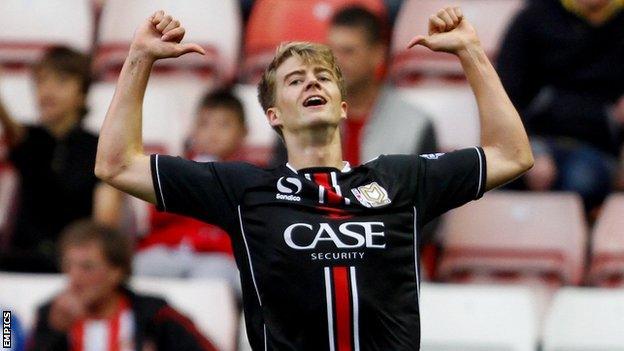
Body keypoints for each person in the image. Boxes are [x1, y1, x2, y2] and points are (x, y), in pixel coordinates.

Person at [95, 7, 533, 350]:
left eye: (322, 76)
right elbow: (116, 164)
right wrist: (138, 59)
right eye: (294, 80)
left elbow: (511, 155)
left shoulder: (401, 178)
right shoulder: (246, 191)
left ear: (342, 106)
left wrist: (471, 53)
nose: (311, 83)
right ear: (273, 116)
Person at [0, 46, 119, 272]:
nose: (47, 91)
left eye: (61, 82)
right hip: (21, 257)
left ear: (82, 93)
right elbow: (14, 133)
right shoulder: (28, 139)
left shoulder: (98, 146)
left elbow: (105, 222)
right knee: (5, 309)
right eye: (41, 82)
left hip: (73, 263)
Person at [496, 0, 624, 212]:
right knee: (499, 178)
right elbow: (504, 98)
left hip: (597, 149)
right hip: (534, 140)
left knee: (581, 180)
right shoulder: (533, 18)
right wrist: (529, 152)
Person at [271, 6, 437, 166]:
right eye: (329, 51)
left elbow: (424, 191)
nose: (335, 61)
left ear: (378, 54)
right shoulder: (296, 116)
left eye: (348, 51)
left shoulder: (415, 124)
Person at [28, 220, 218, 351]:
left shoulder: (156, 315)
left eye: (87, 267)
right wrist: (52, 333)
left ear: (116, 272)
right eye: (68, 266)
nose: (74, 277)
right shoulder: (50, 315)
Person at [134, 89, 245, 298]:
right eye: (204, 124)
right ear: (193, 130)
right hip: (168, 249)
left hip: (217, 255)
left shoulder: (250, 174)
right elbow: (156, 213)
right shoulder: (175, 166)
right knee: (142, 267)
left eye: (224, 125)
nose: (212, 133)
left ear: (243, 132)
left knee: (215, 279)